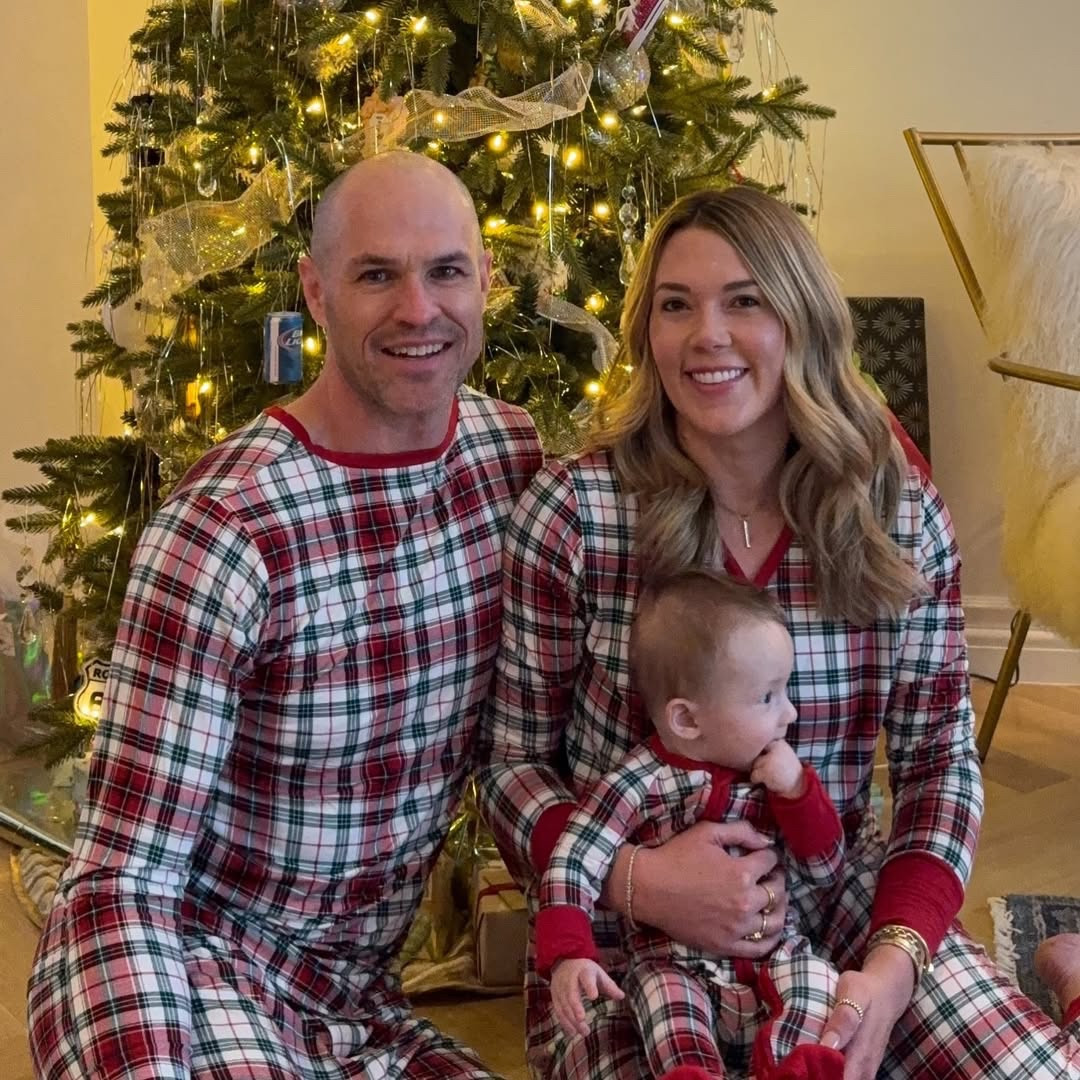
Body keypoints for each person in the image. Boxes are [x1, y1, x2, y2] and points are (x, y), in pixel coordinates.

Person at [475, 184, 1080, 1079]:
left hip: (841, 913)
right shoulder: (576, 513)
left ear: (802, 319)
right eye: (676, 305)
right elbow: (513, 763)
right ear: (648, 332)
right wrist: (635, 880)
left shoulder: (897, 517)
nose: (706, 335)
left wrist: (889, 968)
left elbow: (937, 770)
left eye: (744, 300)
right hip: (631, 947)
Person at [27, 151, 543, 1080]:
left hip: (363, 1004)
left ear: (487, 280)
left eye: (446, 271)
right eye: (376, 274)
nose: (419, 310)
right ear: (316, 290)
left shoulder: (512, 463)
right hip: (201, 970)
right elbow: (120, 881)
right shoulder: (227, 529)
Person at [537, 569, 849, 1080]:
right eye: (767, 697)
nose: (789, 713)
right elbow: (573, 858)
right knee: (664, 1004)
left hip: (773, 954)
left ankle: (791, 1068)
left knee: (818, 983)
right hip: (674, 962)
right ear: (687, 720)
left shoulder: (774, 774)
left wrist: (797, 794)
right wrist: (569, 954)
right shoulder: (638, 782)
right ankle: (691, 1072)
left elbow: (826, 865)